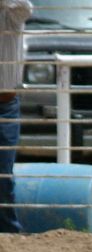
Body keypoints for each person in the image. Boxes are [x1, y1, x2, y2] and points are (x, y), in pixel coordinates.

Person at [0, 0, 32, 233]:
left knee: (2, 173)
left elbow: (25, 7)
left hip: (4, 102)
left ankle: (8, 231)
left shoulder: (11, 14)